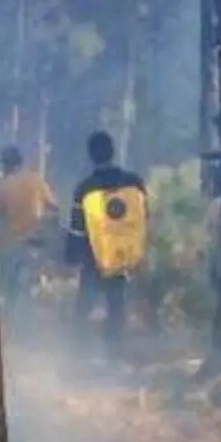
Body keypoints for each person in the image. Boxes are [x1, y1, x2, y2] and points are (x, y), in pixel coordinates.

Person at [65, 130, 147, 359]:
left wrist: (71, 256)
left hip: (94, 257)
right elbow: (142, 218)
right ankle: (114, 355)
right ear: (113, 152)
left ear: (91, 156)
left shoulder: (85, 189)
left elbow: (77, 229)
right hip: (123, 256)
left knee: (84, 306)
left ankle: (77, 355)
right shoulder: (134, 183)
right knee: (116, 305)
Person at [0, 144, 54, 313]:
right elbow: (53, 208)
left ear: (5, 165)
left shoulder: (0, 187)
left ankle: (9, 321)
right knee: (26, 285)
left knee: (8, 287)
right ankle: (26, 320)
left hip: (8, 244)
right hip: (33, 243)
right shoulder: (36, 181)